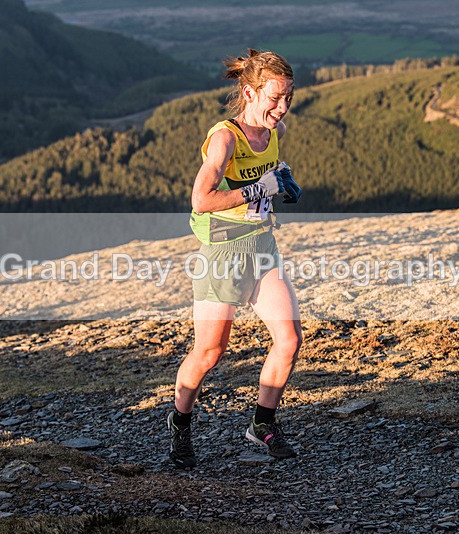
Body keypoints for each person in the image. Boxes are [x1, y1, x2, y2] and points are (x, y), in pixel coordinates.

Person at [168, 49, 303, 468]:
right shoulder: (225, 137)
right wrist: (256, 189)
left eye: (288, 99)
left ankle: (262, 423)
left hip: (262, 246)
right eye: (274, 98)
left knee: (290, 338)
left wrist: (281, 179)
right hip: (223, 253)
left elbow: (264, 174)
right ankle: (180, 421)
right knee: (210, 351)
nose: (281, 109)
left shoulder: (271, 131)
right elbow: (201, 199)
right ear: (249, 91)